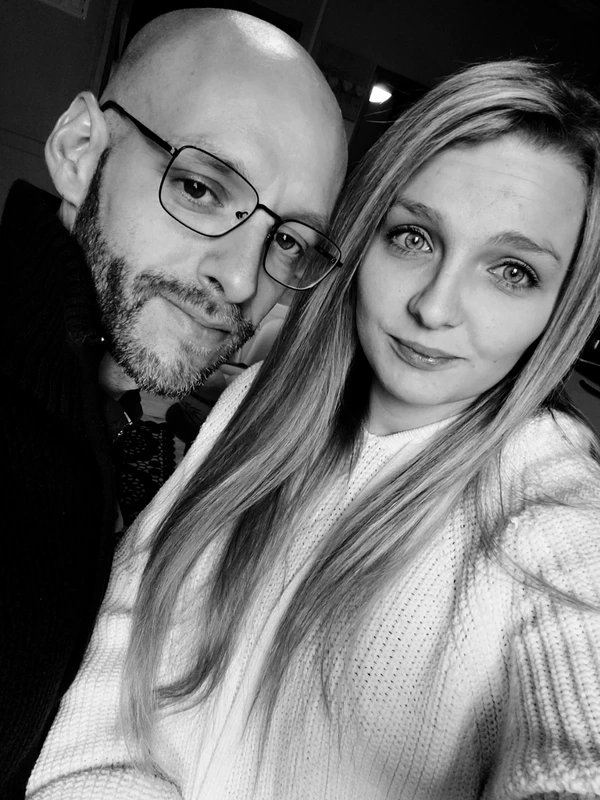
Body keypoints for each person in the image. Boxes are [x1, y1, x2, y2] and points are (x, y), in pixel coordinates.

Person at [27, 59, 600, 799]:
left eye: (513, 271)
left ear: (562, 307)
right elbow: (96, 723)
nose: (434, 307)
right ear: (364, 238)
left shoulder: (551, 503)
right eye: (414, 237)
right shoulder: (260, 404)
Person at [0, 8, 346, 798]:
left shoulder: (112, 400)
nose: (243, 280)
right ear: (79, 149)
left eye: (288, 241)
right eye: (199, 188)